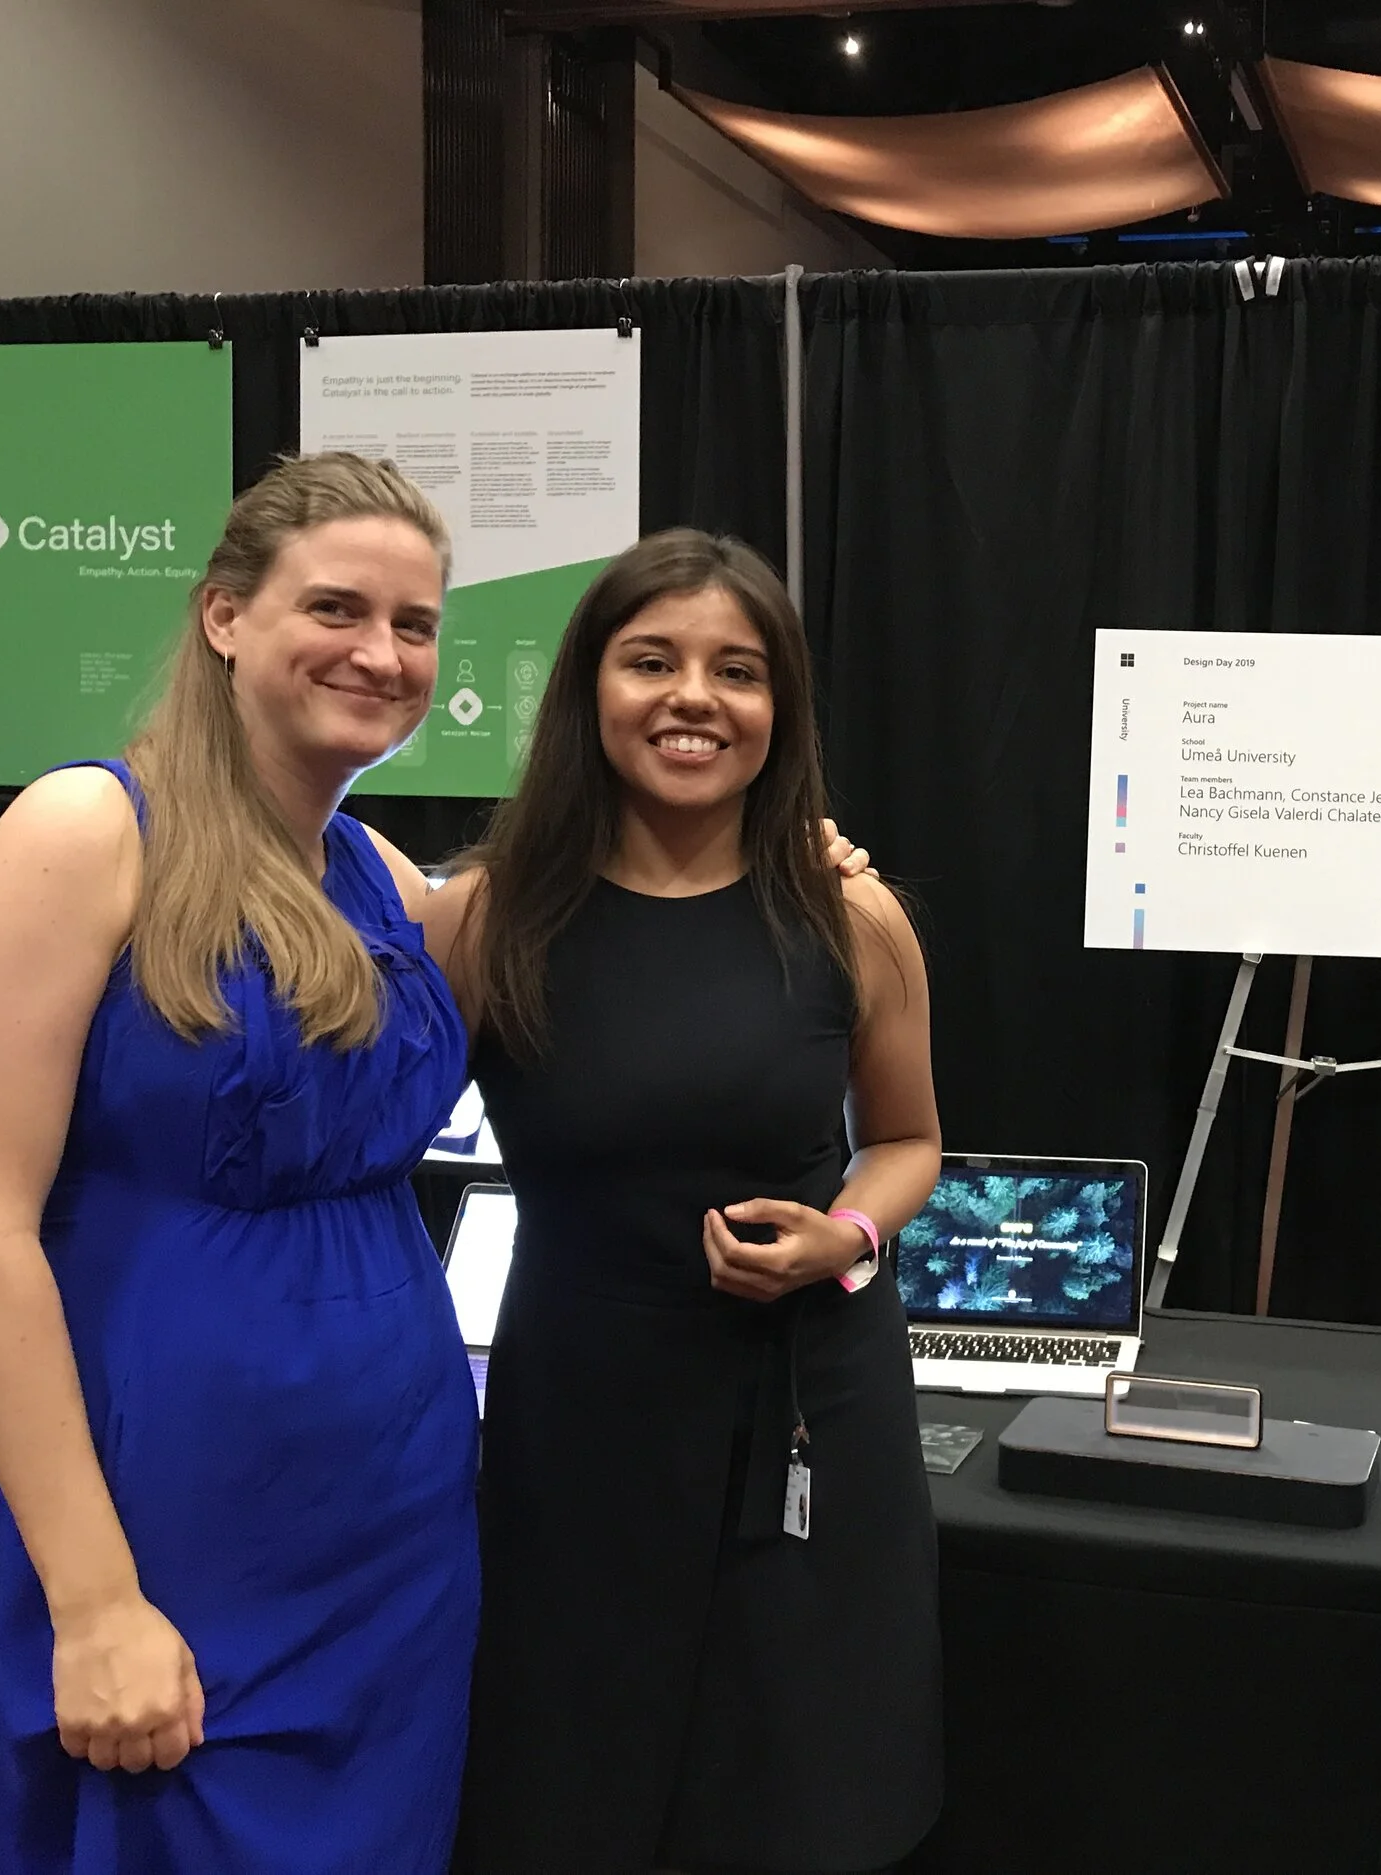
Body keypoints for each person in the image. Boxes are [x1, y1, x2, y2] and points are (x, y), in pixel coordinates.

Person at [0, 455, 482, 1872]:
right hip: (153, 1516)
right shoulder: (86, 832)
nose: (380, 652)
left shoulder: (377, 876)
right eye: (334, 605)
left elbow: (590, 912)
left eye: (414, 623)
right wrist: (94, 1603)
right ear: (223, 615)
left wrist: (803, 862)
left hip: (382, 1534)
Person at [425, 530, 944, 1873]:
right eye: (651, 660)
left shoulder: (850, 917)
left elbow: (909, 1141)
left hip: (807, 1411)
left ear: (782, 708)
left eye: (737, 669)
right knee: (569, 1778)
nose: (693, 697)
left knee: (796, 1786)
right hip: (581, 1414)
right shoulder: (484, 921)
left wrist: (849, 1235)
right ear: (589, 687)